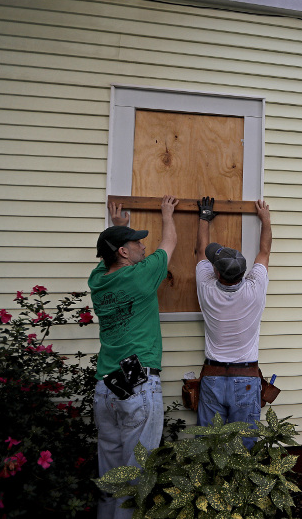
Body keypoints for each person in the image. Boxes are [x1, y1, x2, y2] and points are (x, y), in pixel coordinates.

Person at [89, 196, 178, 519]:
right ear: (123, 253)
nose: (144, 245)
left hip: (105, 388)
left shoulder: (97, 282)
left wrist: (117, 229)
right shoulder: (141, 276)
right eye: (136, 242)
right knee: (135, 476)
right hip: (138, 387)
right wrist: (167, 214)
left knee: (111, 474)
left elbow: (106, 257)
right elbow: (169, 243)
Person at [194, 196, 271, 448]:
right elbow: (265, 251)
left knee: (210, 447)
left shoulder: (206, 287)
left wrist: (205, 216)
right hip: (246, 379)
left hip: (213, 378)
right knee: (244, 449)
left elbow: (200, 252)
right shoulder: (255, 288)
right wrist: (265, 219)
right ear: (244, 272)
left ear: (216, 272)